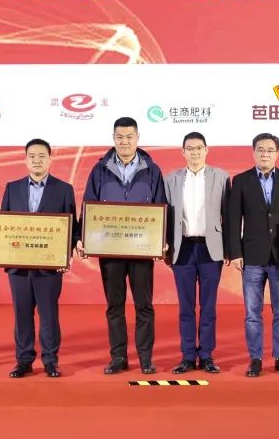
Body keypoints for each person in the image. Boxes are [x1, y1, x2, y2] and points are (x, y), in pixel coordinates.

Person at [82, 117, 168, 375]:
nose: (125, 142)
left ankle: (146, 358)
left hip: (142, 249)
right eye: (120, 137)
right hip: (110, 250)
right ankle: (118, 357)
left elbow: (161, 206)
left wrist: (162, 239)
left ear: (137, 138)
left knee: (144, 305)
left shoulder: (152, 170)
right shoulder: (100, 170)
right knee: (114, 306)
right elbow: (89, 206)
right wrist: (84, 237)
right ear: (113, 138)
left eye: (129, 137)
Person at [0, 138, 78, 379]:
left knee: (49, 315)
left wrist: (69, 251)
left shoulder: (64, 189)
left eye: (42, 156)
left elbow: (72, 227)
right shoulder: (12, 188)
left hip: (49, 266)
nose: (37, 160)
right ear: (25, 159)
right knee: (22, 314)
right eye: (32, 156)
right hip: (18, 266)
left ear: (50, 159)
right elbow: (2, 224)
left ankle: (51, 361)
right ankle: (23, 361)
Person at [225, 132, 279, 377]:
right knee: (252, 314)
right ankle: (255, 359)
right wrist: (235, 253)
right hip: (251, 256)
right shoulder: (241, 180)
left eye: (270, 150)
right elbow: (233, 219)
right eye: (260, 149)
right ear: (253, 152)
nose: (265, 154)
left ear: (277, 153)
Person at [164, 132, 230, 375]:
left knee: (209, 306)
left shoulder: (221, 177)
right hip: (182, 249)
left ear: (206, 150)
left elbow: (229, 215)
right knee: (186, 307)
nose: (195, 152)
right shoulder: (170, 179)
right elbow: (164, 216)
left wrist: (230, 250)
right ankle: (188, 356)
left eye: (199, 148)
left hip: (211, 248)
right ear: (182, 152)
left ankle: (207, 355)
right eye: (190, 148)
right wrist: (164, 246)